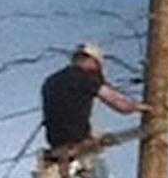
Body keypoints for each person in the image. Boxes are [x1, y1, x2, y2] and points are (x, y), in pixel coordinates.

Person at [39, 43, 151, 178]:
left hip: (57, 152)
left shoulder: (50, 81)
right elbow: (120, 104)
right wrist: (144, 107)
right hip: (79, 148)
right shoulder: (84, 78)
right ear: (92, 61)